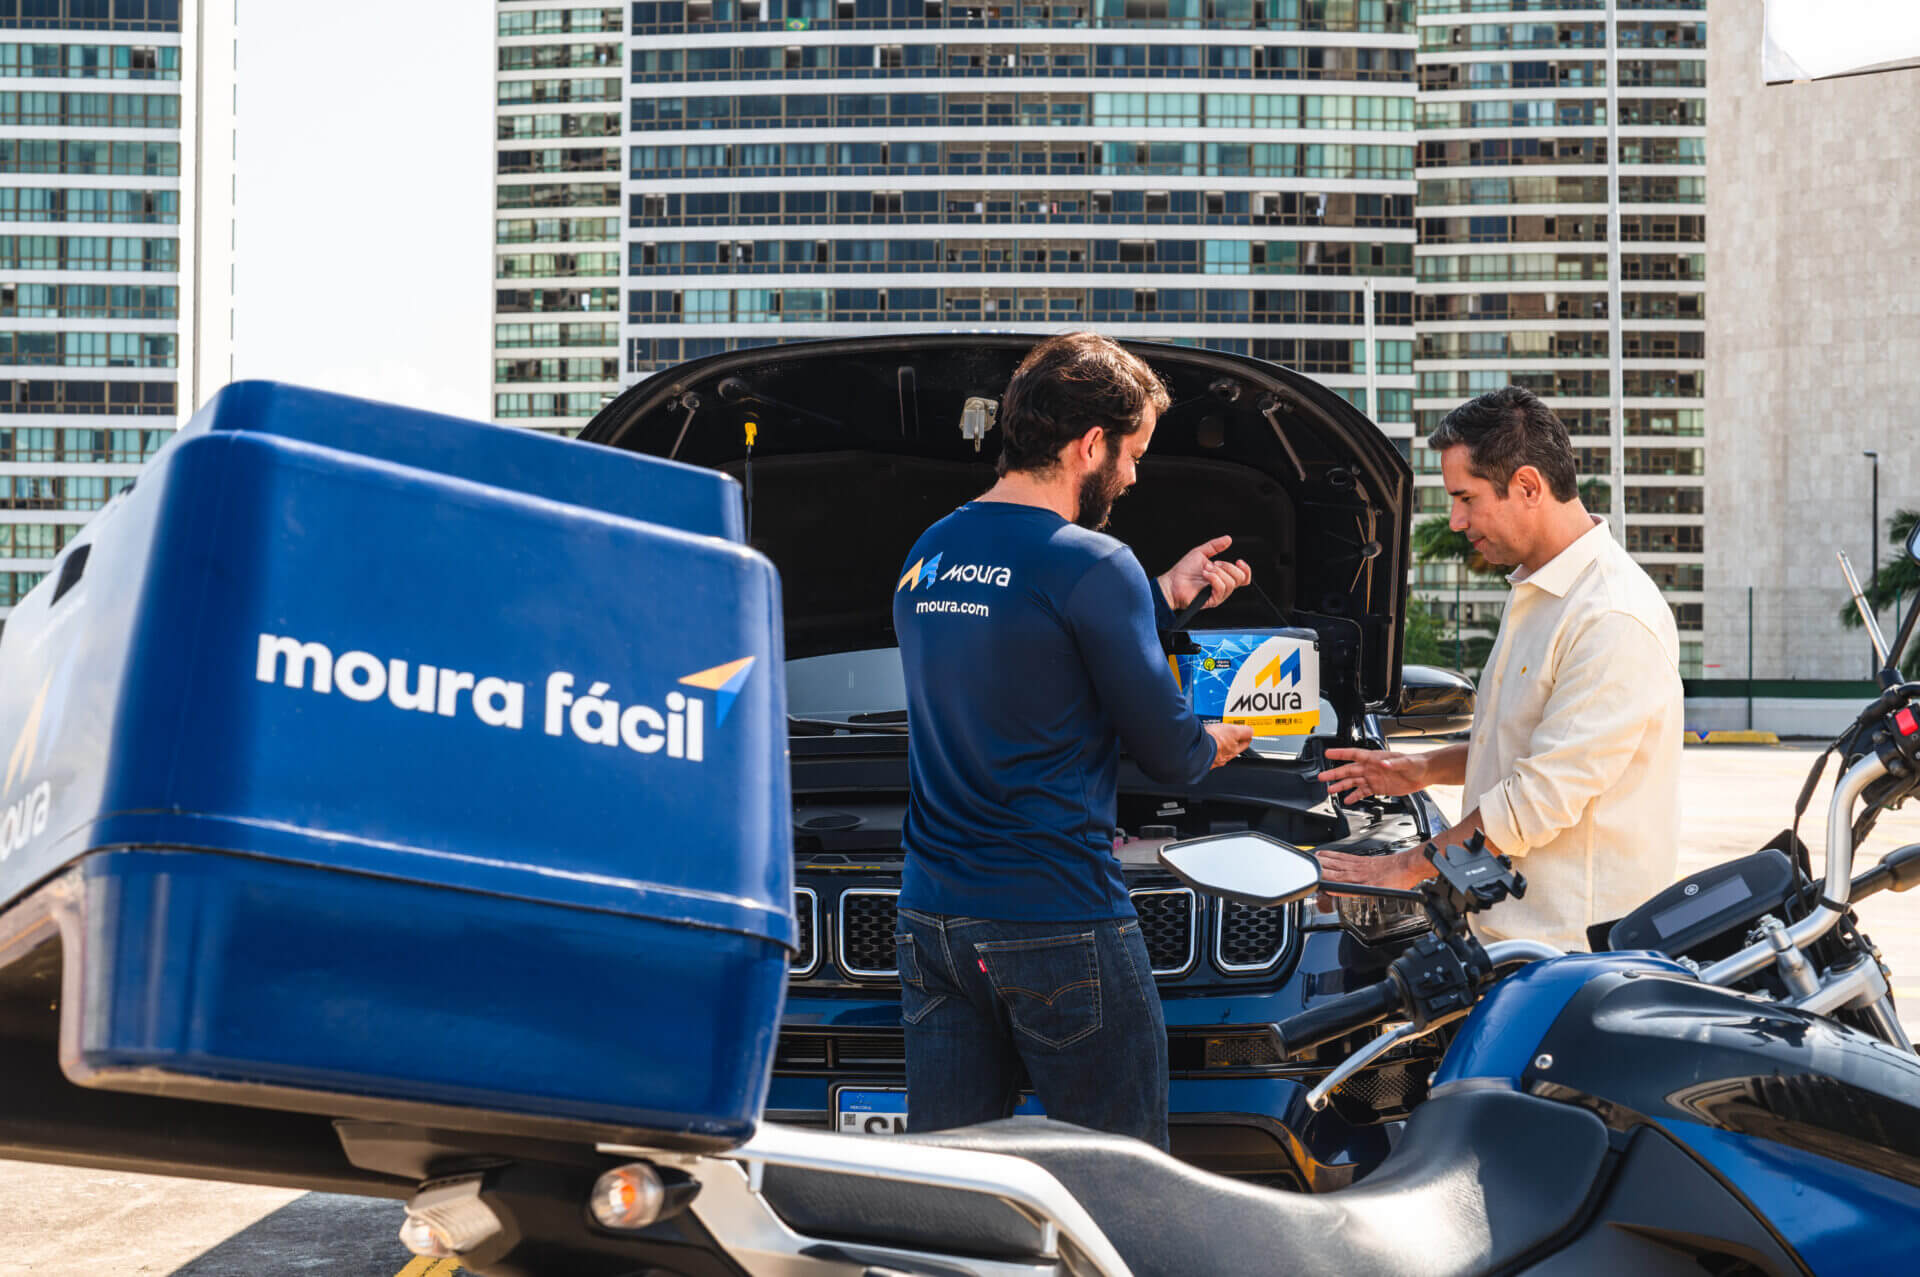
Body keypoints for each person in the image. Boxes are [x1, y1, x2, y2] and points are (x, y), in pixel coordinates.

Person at [891, 332, 1254, 1149]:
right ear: (1091, 443)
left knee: (953, 1183)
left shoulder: (931, 553)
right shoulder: (1095, 563)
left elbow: (1021, 647)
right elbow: (1170, 751)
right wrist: (1216, 741)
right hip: (1057, 917)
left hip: (933, 920)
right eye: (1131, 455)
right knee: (1122, 1180)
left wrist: (1164, 593)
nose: (1132, 476)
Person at [1316, 385, 1683, 952]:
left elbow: (1538, 797)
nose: (1458, 520)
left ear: (1528, 486)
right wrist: (1417, 769)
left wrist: (1405, 867)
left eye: (1466, 498)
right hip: (1511, 937)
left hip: (1572, 952)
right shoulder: (1540, 591)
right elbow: (1521, 749)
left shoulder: (1612, 615)